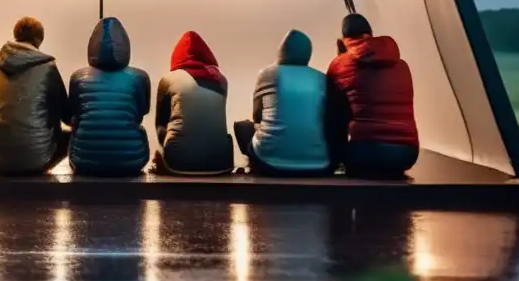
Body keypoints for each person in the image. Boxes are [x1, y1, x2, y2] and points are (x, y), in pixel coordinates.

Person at [326, 13, 419, 178]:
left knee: (334, 115)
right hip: (407, 153)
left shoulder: (340, 64)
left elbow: (335, 116)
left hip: (366, 153)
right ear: (370, 34)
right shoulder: (402, 65)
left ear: (344, 38)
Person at [0, 16, 72, 175]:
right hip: (36, 159)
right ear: (39, 39)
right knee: (70, 134)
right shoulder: (47, 67)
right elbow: (66, 116)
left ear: (16, 35)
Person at [234, 29, 331, 176]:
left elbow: (257, 116)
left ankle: (251, 167)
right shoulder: (321, 78)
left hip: (268, 164)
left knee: (243, 126)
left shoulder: (267, 74)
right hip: (318, 164)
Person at [68, 17, 151, 176]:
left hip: (84, 160)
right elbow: (142, 113)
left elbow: (73, 114)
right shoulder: (139, 77)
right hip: (132, 161)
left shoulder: (78, 77)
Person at [153, 31, 233, 175]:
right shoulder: (221, 80)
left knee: (163, 128)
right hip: (221, 163)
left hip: (177, 161)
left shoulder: (169, 78)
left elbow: (160, 123)